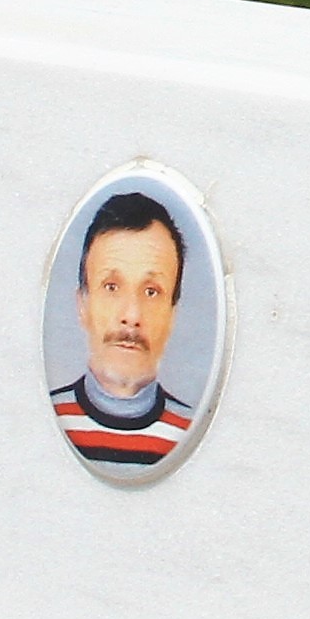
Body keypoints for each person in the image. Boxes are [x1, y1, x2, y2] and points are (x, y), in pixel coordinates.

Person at [54, 191, 198, 468]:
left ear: (173, 314)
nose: (131, 316)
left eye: (151, 291)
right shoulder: (42, 424)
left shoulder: (193, 440)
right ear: (82, 304)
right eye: (111, 287)